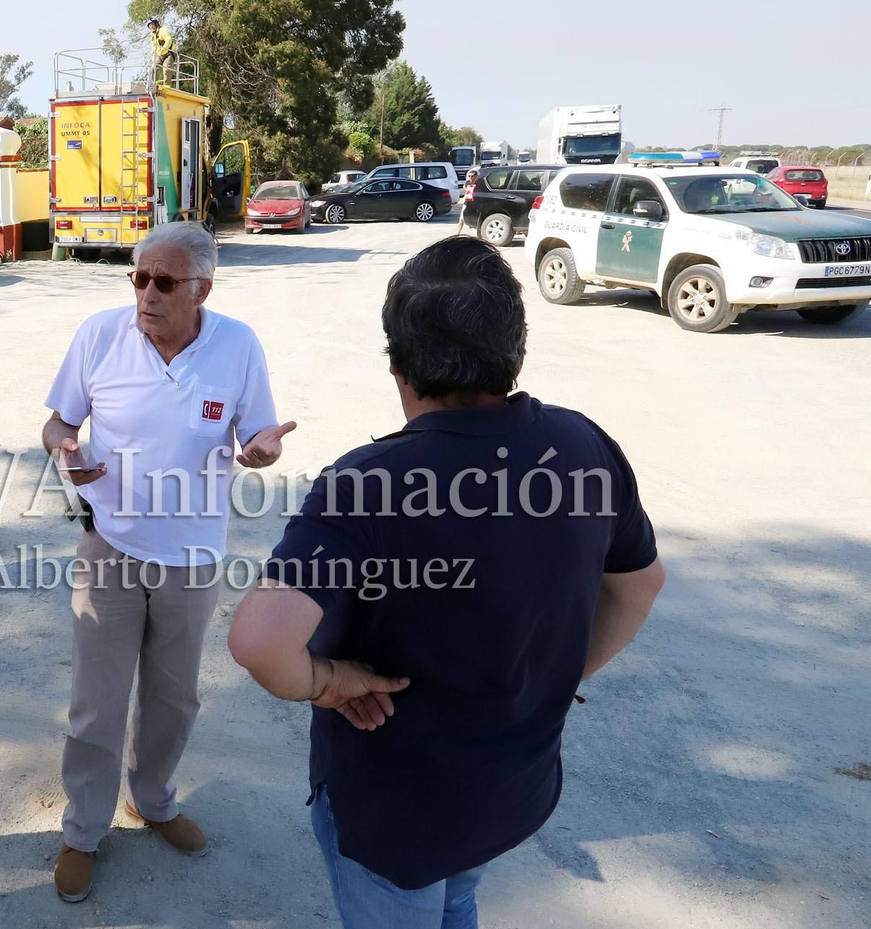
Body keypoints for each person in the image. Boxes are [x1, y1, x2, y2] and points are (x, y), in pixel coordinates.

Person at [227, 236, 666, 929]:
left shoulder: (365, 483)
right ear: (515, 347)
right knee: (458, 895)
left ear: (397, 363)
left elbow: (258, 641)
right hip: (510, 789)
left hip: (396, 809)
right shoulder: (583, 445)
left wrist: (329, 680)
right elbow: (640, 585)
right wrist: (556, 672)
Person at [41, 222, 294, 903]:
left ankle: (152, 801)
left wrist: (263, 450)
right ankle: (84, 827)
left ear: (202, 288)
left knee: (173, 699)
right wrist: (65, 450)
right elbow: (57, 423)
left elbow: (255, 432)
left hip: (193, 557)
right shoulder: (101, 334)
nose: (145, 294)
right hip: (111, 549)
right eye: (137, 277)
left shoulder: (236, 345)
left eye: (163, 281)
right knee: (95, 703)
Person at [147, 17, 174, 82]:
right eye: (150, 25)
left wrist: (162, 50)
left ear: (156, 24)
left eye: (152, 24)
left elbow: (169, 40)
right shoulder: (152, 36)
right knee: (153, 68)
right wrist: (153, 60)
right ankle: (155, 84)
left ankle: (167, 86)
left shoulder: (162, 30)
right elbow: (154, 49)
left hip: (169, 53)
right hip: (160, 55)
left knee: (166, 68)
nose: (151, 27)